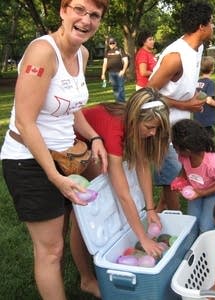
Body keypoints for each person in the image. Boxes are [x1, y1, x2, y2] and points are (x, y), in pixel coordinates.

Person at [0, 1, 109, 299]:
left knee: (63, 236)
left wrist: (95, 137)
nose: (86, 20)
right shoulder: (42, 52)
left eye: (94, 15)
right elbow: (25, 120)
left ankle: (83, 281)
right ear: (62, 11)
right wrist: (53, 175)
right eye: (79, 10)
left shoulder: (83, 54)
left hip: (66, 157)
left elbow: (73, 109)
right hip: (29, 161)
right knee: (50, 251)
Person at [70, 87, 170, 297]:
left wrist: (150, 209)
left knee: (107, 203)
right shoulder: (115, 128)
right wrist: (143, 238)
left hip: (94, 147)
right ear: (135, 120)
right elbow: (123, 193)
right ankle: (86, 279)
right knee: (85, 216)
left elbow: (143, 166)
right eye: (150, 128)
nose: (153, 134)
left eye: (157, 130)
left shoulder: (136, 126)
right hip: (73, 147)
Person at [147, 1, 214, 212]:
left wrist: (194, 99)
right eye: (211, 22)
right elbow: (147, 94)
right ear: (201, 27)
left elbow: (185, 83)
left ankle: (159, 211)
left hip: (180, 124)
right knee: (172, 178)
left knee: (180, 170)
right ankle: (176, 220)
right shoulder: (175, 58)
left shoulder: (198, 47)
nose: (213, 26)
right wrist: (185, 105)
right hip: (161, 127)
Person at [171, 119, 215, 233]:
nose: (175, 151)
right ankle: (194, 244)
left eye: (175, 148)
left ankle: (206, 241)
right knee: (192, 222)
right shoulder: (185, 157)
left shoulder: (212, 164)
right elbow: (185, 168)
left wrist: (201, 193)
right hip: (196, 191)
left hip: (214, 193)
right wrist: (180, 179)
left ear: (187, 150)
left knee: (205, 227)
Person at [193, 56, 215, 138]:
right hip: (206, 116)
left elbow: (200, 95)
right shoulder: (210, 83)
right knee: (208, 137)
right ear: (212, 69)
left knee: (201, 135)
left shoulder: (197, 82)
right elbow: (208, 100)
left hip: (198, 115)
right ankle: (207, 150)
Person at [101, 36, 129, 102]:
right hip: (111, 73)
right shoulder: (107, 51)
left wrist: (123, 70)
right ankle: (118, 102)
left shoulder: (120, 50)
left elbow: (126, 61)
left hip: (119, 72)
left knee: (120, 88)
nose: (111, 44)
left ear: (115, 43)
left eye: (113, 43)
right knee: (115, 88)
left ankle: (121, 103)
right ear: (108, 44)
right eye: (110, 43)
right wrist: (103, 74)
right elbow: (105, 63)